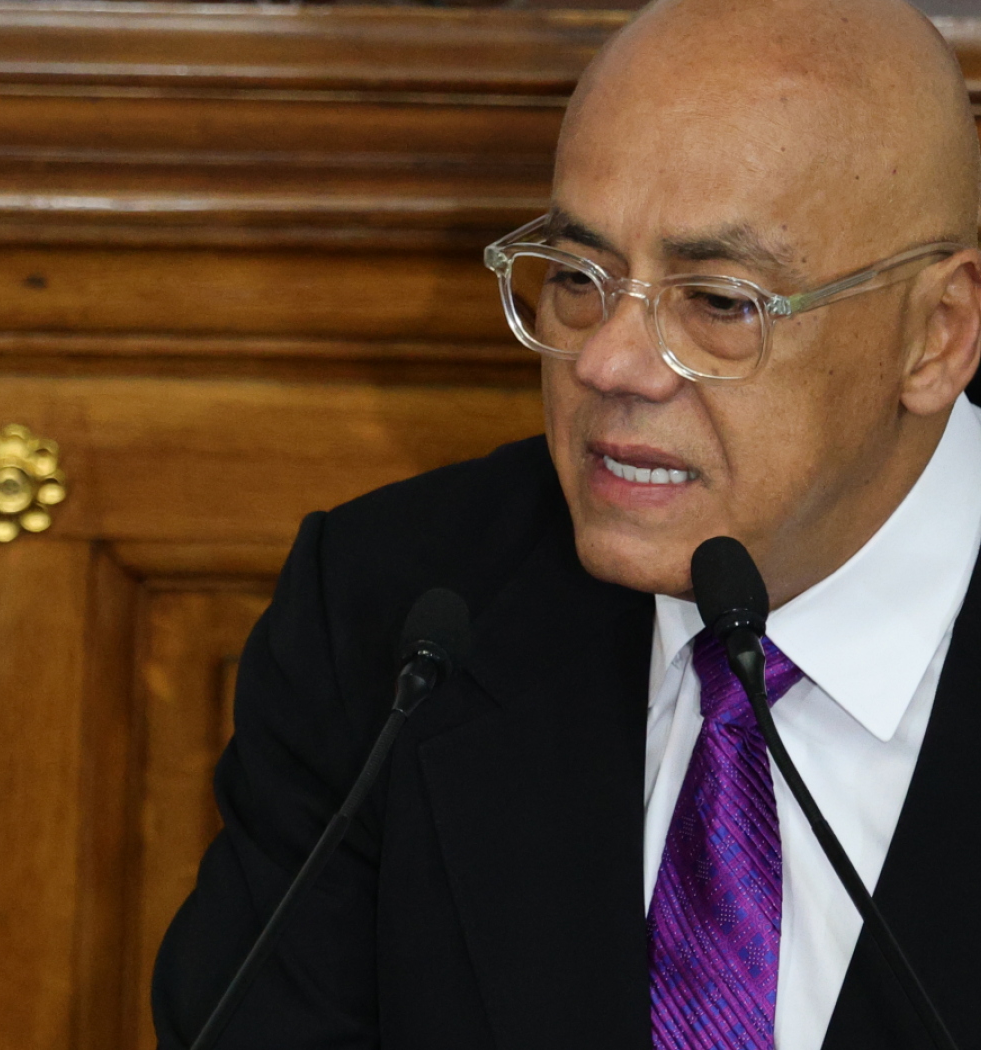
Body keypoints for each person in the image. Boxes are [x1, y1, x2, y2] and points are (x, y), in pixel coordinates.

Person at [151, 0, 981, 1047]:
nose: (605, 362)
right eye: (579, 278)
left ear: (935, 336)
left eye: (718, 302)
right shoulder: (392, 615)